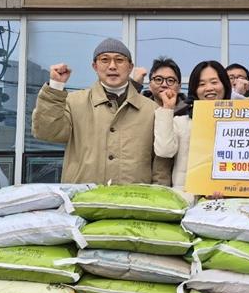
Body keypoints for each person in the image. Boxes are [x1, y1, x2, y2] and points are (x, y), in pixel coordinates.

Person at [31, 38, 171, 185]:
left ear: (130, 67)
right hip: (83, 197)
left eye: (119, 60)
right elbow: (46, 132)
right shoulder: (74, 102)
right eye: (105, 60)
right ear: (95, 66)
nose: (112, 66)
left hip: (134, 198)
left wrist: (160, 195)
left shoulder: (151, 110)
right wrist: (55, 87)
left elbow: (160, 166)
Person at [153, 60, 232, 189]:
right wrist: (167, 108)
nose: (209, 88)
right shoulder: (182, 122)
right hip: (187, 196)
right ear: (195, 90)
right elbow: (164, 151)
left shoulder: (237, 123)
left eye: (214, 82)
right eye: (201, 84)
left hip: (226, 195)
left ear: (225, 85)